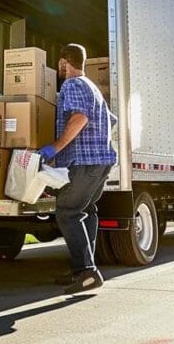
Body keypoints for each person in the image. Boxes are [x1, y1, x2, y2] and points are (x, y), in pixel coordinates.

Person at [38, 43, 117, 294]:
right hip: (101, 160)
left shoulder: (72, 85)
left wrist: (55, 147)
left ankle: (87, 272)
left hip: (84, 162)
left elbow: (80, 117)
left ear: (64, 62)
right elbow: (111, 120)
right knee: (88, 210)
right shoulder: (92, 87)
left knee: (67, 211)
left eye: (60, 63)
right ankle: (84, 268)